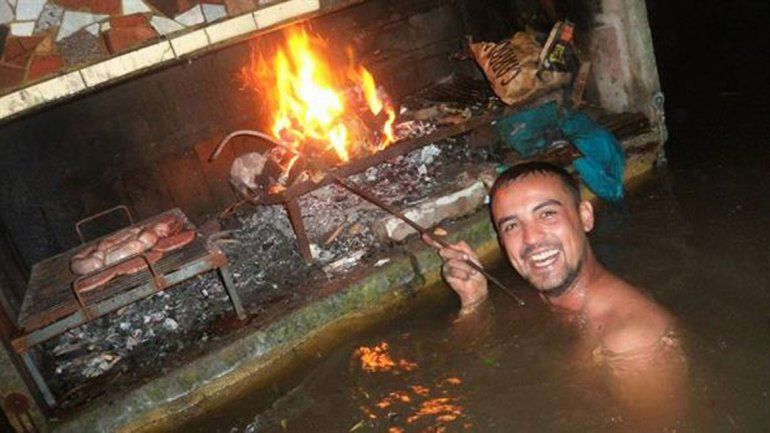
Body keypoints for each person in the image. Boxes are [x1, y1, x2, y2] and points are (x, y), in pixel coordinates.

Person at [424, 161, 686, 425]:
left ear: (585, 216)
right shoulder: (532, 299)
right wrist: (474, 300)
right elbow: (473, 360)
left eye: (547, 214)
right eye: (512, 226)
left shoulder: (633, 340)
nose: (531, 239)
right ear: (501, 241)